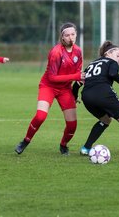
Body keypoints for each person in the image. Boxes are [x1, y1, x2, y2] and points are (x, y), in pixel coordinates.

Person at [15, 22, 85, 155]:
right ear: (62, 37)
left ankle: (63, 145)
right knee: (40, 116)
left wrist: (76, 89)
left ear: (76, 35)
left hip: (65, 89)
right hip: (48, 86)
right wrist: (76, 76)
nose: (71, 37)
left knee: (72, 125)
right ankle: (25, 141)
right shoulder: (56, 52)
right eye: (67, 35)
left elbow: (77, 74)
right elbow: (52, 78)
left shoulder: (78, 51)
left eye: (73, 34)